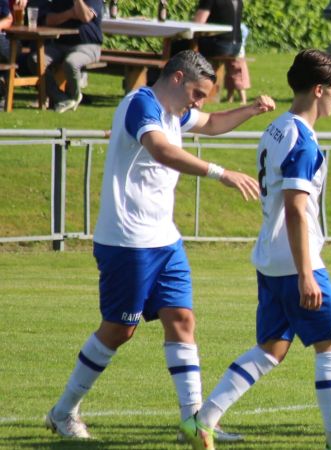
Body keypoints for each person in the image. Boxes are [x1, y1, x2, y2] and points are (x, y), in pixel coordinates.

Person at [43, 50, 275, 446]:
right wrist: (221, 173)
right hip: (127, 241)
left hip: (165, 240)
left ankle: (193, 421)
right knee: (120, 330)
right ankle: (63, 412)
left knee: (182, 319)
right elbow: (161, 150)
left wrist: (251, 110)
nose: (199, 103)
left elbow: (214, 123)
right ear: (178, 77)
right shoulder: (141, 105)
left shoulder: (175, 113)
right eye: (197, 93)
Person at [187, 49, 331, 450]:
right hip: (295, 261)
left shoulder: (277, 128)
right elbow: (297, 210)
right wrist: (306, 273)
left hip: (269, 256)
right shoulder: (303, 140)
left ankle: (203, 420)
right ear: (319, 90)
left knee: (272, 348)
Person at [39, 0, 102, 112]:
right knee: (36, 60)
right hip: (60, 44)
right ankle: (61, 98)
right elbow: (48, 20)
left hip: (87, 45)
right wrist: (70, 14)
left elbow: (86, 17)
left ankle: (75, 96)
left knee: (71, 62)